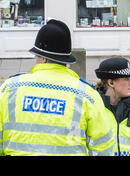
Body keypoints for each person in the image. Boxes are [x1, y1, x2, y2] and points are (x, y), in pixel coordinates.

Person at [0, 19, 114, 156]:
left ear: (43, 58)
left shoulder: (10, 88)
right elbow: (103, 147)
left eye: (36, 55)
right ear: (65, 59)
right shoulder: (87, 95)